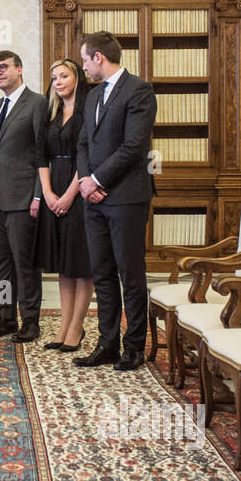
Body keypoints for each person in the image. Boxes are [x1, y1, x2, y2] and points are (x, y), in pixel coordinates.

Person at [75, 31, 158, 373]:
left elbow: (134, 147)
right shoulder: (93, 97)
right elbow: (83, 143)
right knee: (102, 273)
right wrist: (85, 183)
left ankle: (134, 347)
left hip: (126, 197)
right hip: (93, 200)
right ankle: (107, 343)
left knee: (131, 274)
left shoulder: (139, 90)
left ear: (99, 58)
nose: (83, 66)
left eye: (84, 59)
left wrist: (97, 180)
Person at [0, 50, 46, 343]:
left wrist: (38, 196)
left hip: (22, 199)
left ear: (19, 68)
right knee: (2, 263)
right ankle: (6, 315)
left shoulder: (37, 104)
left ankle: (30, 320)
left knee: (24, 263)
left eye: (3, 67)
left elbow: (44, 154)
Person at [32, 58, 94, 354]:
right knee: (63, 265)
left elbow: (89, 158)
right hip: (52, 189)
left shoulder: (88, 111)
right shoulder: (51, 113)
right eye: (54, 76)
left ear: (77, 78)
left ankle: (76, 326)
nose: (57, 81)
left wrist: (69, 195)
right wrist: (47, 193)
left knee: (80, 263)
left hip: (79, 189)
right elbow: (40, 155)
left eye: (64, 75)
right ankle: (64, 323)